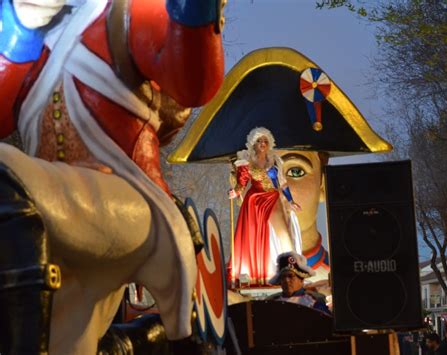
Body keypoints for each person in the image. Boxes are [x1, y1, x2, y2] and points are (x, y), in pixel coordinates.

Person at [0, 0, 224, 353]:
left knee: (6, 176)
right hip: (51, 225)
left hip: (125, 199)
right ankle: (134, 342)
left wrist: (193, 9)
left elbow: (192, 83)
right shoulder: (36, 33)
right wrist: (19, 26)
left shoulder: (124, 13)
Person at [228, 127, 301, 285]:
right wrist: (235, 192)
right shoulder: (246, 162)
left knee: (284, 235)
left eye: (265, 141)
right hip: (255, 201)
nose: (263, 143)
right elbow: (242, 183)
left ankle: (292, 272)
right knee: (256, 237)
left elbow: (282, 184)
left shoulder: (275, 161)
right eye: (259, 141)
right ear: (253, 144)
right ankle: (259, 274)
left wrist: (290, 200)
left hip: (273, 198)